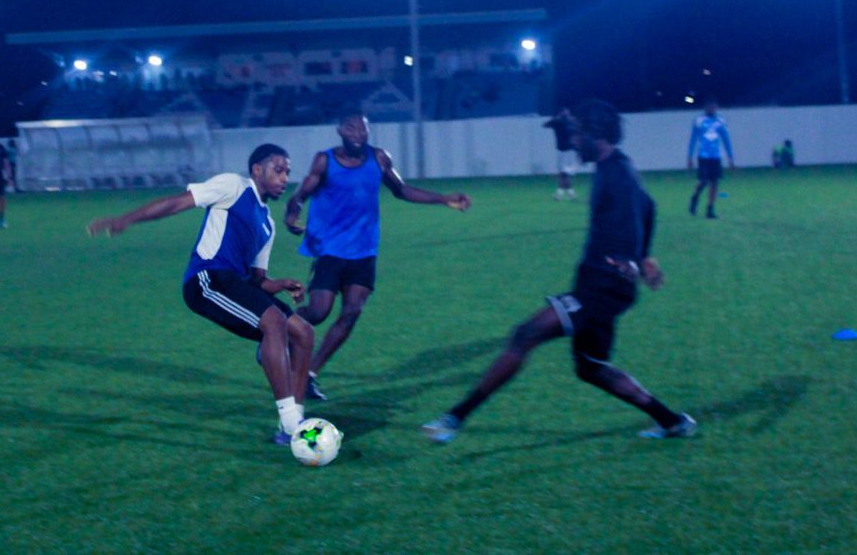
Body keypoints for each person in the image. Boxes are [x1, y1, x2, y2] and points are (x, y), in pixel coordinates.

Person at [421, 99, 695, 443]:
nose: (575, 142)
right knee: (591, 367)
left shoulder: (618, 173)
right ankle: (671, 421)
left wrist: (631, 260)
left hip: (603, 288)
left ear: (597, 134)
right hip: (603, 284)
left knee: (526, 334)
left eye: (580, 134)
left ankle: (453, 419)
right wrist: (646, 258)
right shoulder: (615, 165)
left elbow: (633, 215)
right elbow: (648, 206)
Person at [87, 144, 313, 446]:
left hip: (235, 283)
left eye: (287, 172)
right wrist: (126, 219)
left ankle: (292, 422)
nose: (285, 177)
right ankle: (290, 422)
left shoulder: (267, 224)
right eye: (278, 170)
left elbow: (257, 281)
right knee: (274, 322)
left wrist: (281, 283)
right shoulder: (234, 186)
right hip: (206, 279)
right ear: (257, 170)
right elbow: (177, 203)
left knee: (303, 333)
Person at [284, 111, 472, 402]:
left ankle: (309, 374)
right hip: (330, 248)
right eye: (352, 128)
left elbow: (401, 189)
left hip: (364, 251)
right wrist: (292, 212)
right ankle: (280, 328)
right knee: (319, 311)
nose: (359, 134)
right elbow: (300, 194)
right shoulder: (325, 160)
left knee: (352, 312)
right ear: (340, 130)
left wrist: (443, 198)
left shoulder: (380, 158)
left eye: (364, 129)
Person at [687, 99, 735, 219]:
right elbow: (693, 139)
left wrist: (730, 156)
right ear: (706, 108)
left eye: (714, 107)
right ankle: (695, 197)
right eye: (710, 107)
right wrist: (690, 156)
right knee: (703, 181)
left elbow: (726, 139)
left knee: (715, 182)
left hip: (716, 156)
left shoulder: (720, 121)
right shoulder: (699, 121)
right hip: (703, 156)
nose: (712, 109)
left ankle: (710, 209)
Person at [544, 107, 578, 200]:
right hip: (562, 151)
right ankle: (570, 194)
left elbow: (578, 132)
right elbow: (545, 125)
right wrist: (556, 118)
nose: (566, 114)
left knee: (565, 173)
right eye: (564, 112)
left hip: (570, 151)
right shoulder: (558, 122)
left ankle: (560, 194)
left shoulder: (572, 122)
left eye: (567, 112)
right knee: (564, 173)